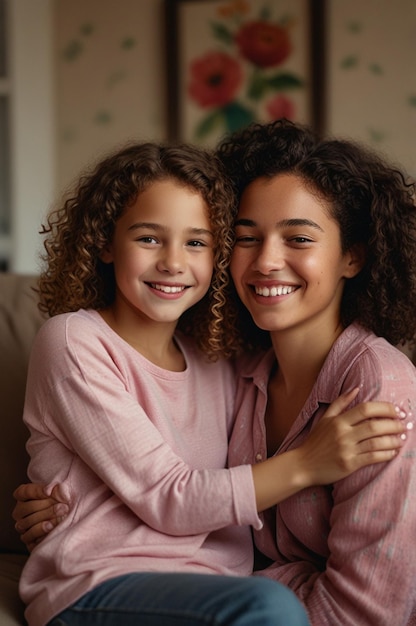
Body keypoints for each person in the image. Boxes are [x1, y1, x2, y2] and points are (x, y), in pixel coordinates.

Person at [13, 136, 409, 626]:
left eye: (197, 242)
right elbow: (170, 495)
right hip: (105, 586)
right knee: (269, 607)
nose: (174, 262)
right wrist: (307, 463)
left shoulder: (227, 363)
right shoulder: (81, 341)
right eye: (149, 238)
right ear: (104, 243)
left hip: (215, 593)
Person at [216, 119, 416, 625]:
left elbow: (366, 612)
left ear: (352, 256)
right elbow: (173, 494)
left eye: (298, 238)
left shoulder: (379, 385)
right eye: (246, 238)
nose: (266, 261)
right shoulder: (235, 372)